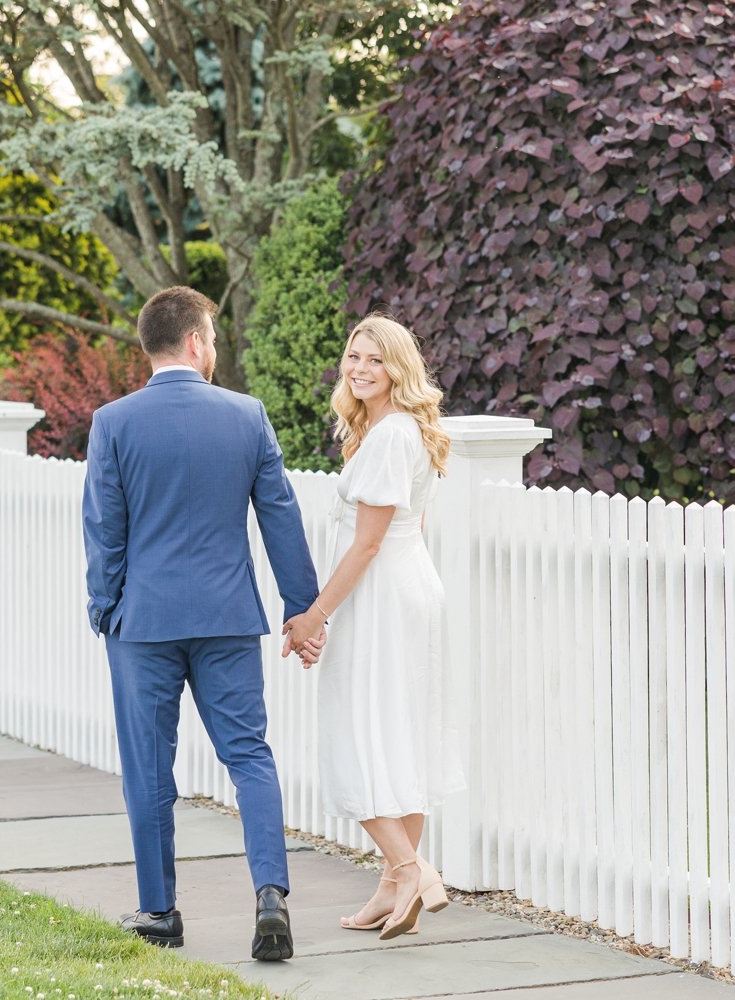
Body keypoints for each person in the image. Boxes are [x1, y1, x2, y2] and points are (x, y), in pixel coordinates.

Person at [82, 285, 324, 962]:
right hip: (227, 618)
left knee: (148, 768)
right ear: (194, 341)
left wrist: (106, 609)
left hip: (145, 622)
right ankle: (270, 896)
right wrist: (300, 612)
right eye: (213, 338)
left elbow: (105, 530)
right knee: (250, 755)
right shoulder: (247, 417)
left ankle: (160, 911)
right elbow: (281, 517)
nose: (216, 349)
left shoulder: (114, 422)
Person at [281, 313, 458, 941]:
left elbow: (367, 545)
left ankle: (414, 870)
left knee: (361, 733)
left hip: (384, 598)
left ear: (399, 368)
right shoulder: (394, 429)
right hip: (407, 591)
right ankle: (393, 886)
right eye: (354, 356)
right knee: (398, 734)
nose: (359, 368)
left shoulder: (390, 437)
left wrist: (314, 616)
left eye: (375, 360)